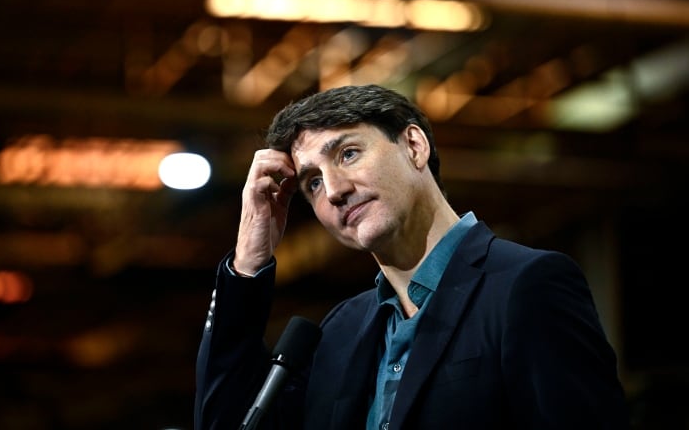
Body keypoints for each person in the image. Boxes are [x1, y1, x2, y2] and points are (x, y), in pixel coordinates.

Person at [194, 84, 630, 429]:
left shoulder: (528, 285)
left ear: (414, 146)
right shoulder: (339, 332)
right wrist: (249, 262)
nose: (334, 190)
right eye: (311, 183)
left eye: (348, 153)